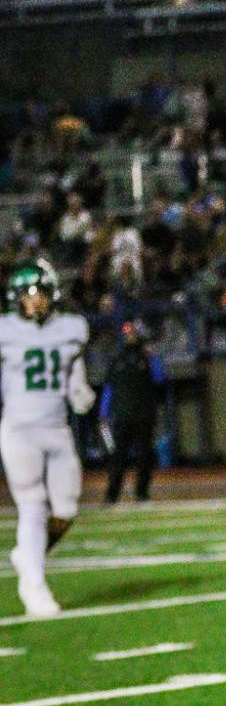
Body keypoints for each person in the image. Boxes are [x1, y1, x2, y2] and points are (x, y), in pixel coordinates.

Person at [0, 262, 91, 617]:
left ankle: (28, 556)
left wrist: (79, 391)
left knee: (67, 508)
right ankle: (34, 586)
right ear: (16, 299)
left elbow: (73, 370)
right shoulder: (5, 330)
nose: (33, 301)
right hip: (20, 429)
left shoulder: (71, 328)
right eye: (27, 295)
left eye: (38, 293)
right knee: (33, 504)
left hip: (57, 428)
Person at [101, 320, 167, 505]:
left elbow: (160, 379)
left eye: (132, 333)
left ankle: (142, 493)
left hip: (143, 413)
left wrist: (153, 357)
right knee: (118, 457)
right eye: (127, 333)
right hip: (122, 414)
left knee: (144, 456)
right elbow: (109, 387)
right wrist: (104, 412)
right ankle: (111, 495)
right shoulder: (117, 359)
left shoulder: (147, 358)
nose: (129, 337)